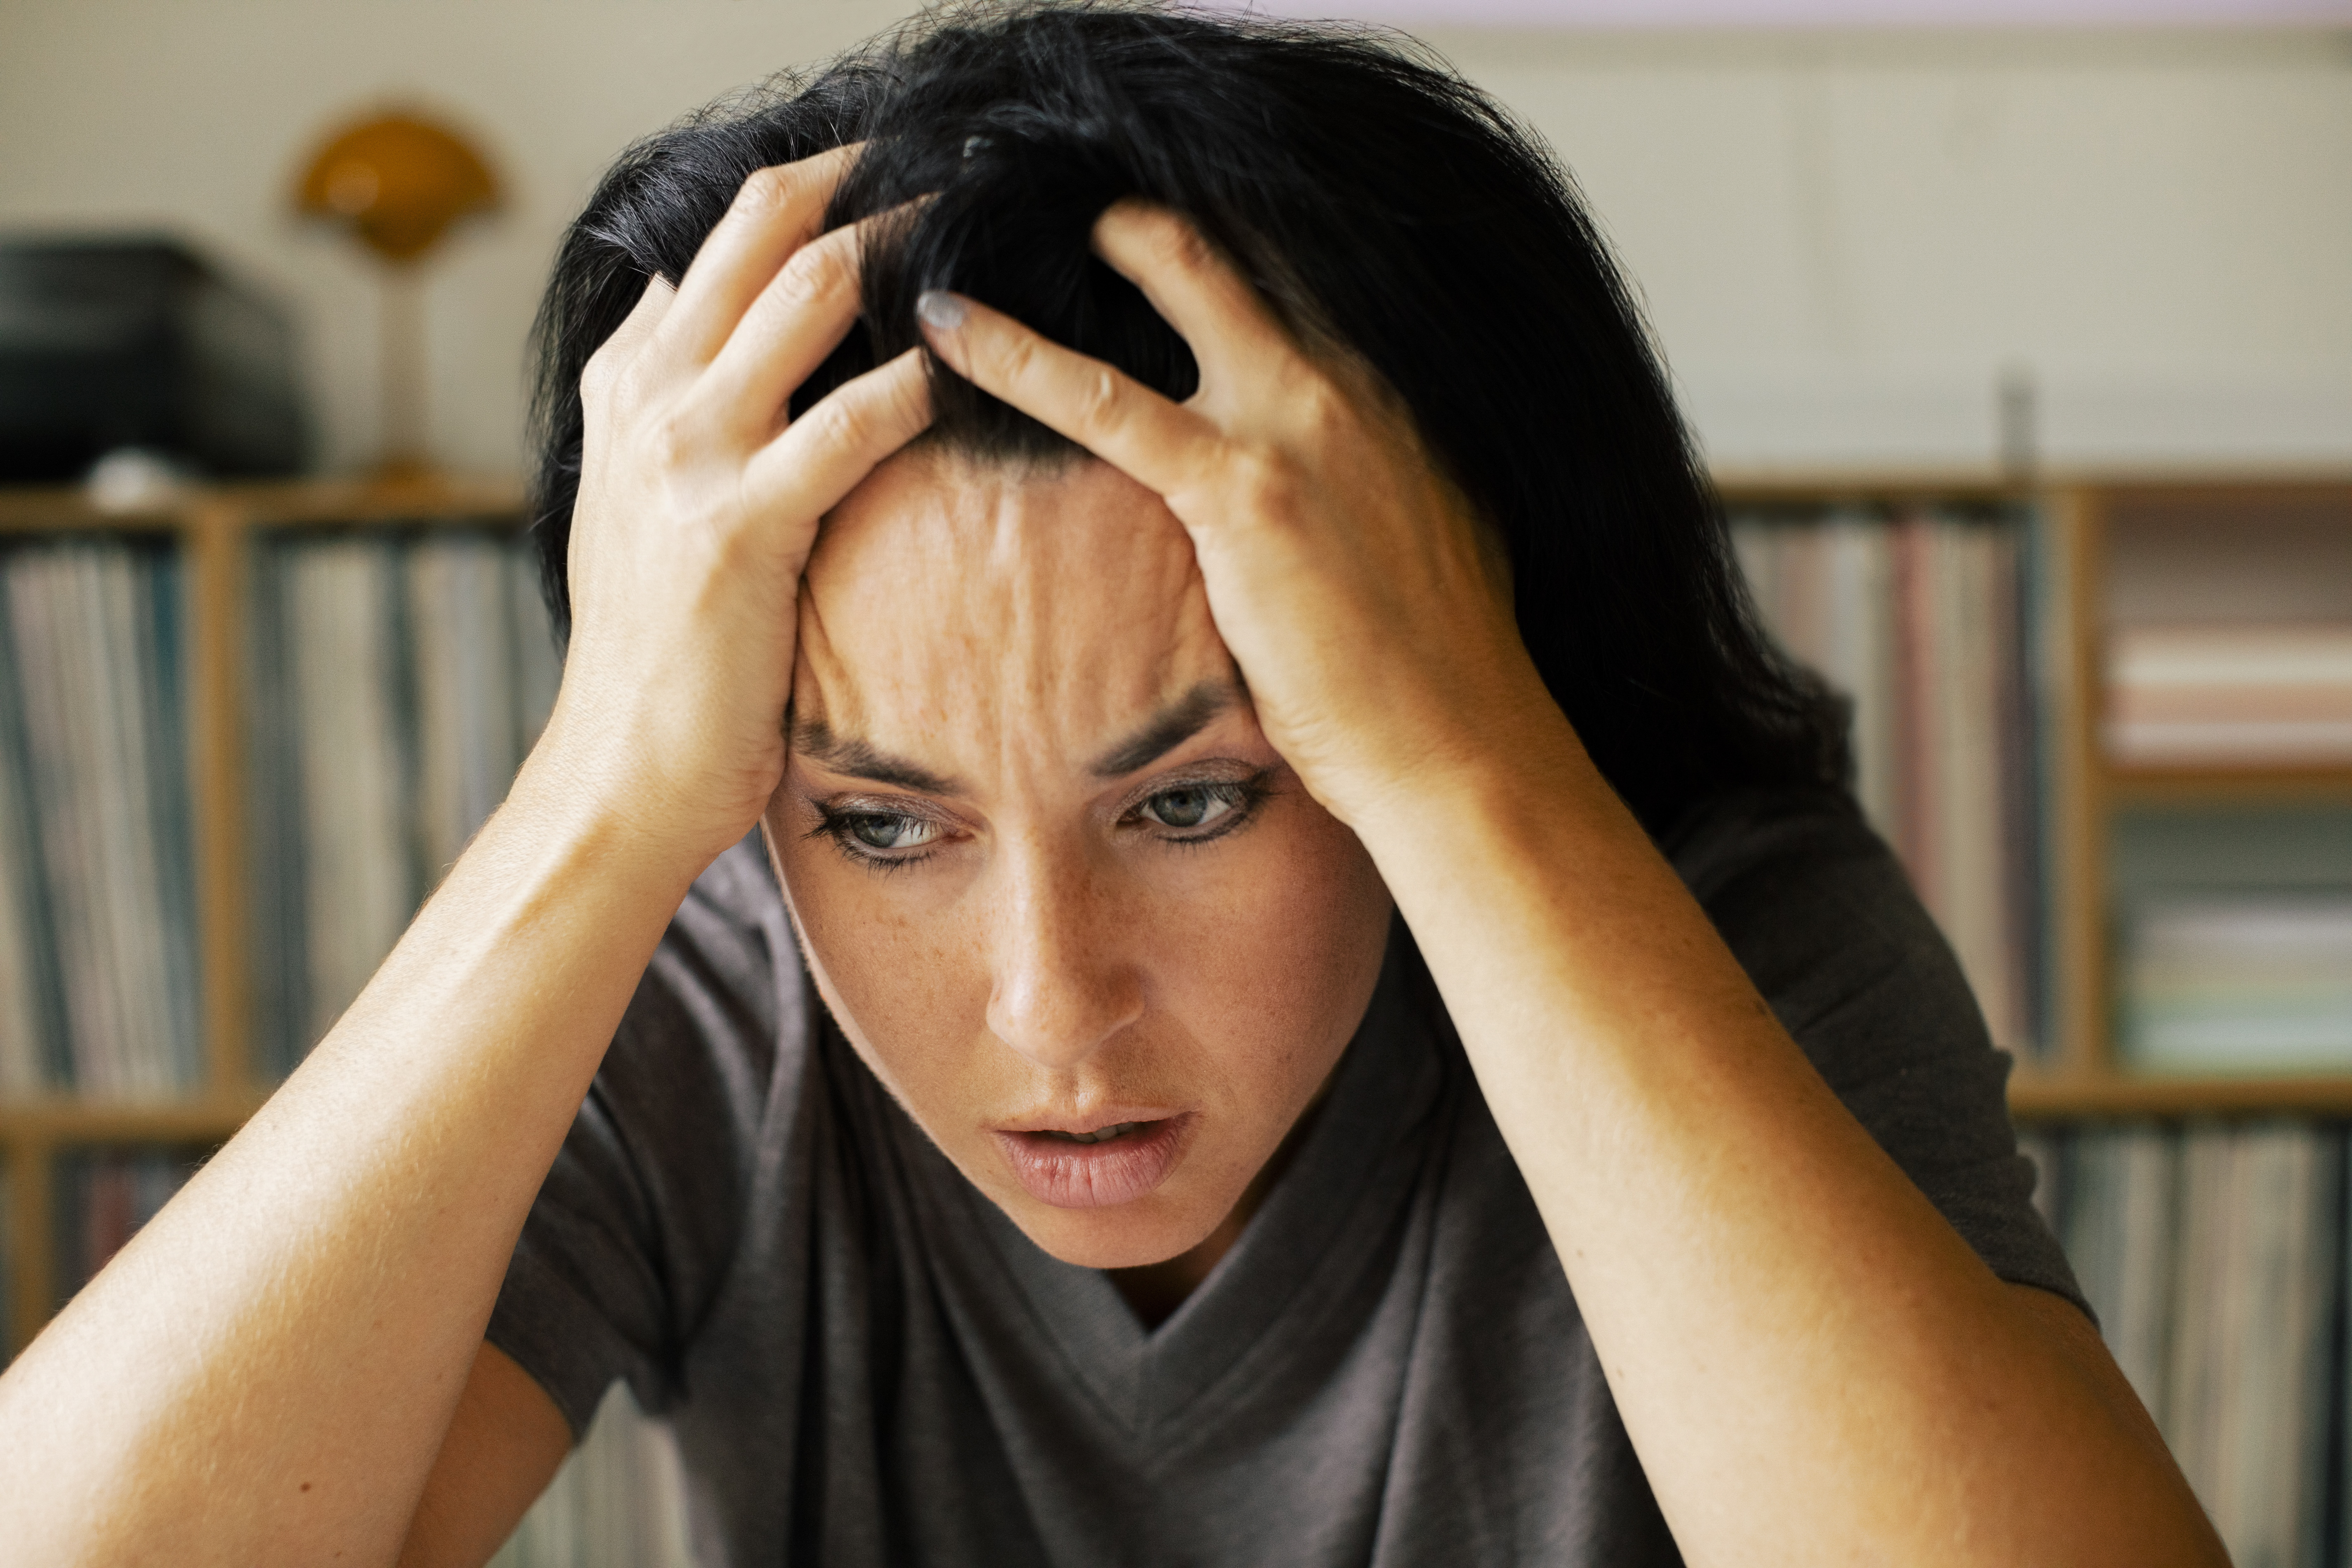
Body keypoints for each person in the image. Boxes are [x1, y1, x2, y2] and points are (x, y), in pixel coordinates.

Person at [0, 6, 2221, 1565]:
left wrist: (1457, 766)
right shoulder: (709, 991)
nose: (1052, 1018)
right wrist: (594, 802)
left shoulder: (1714, 933)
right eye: (882, 823)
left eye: (1194, 801)